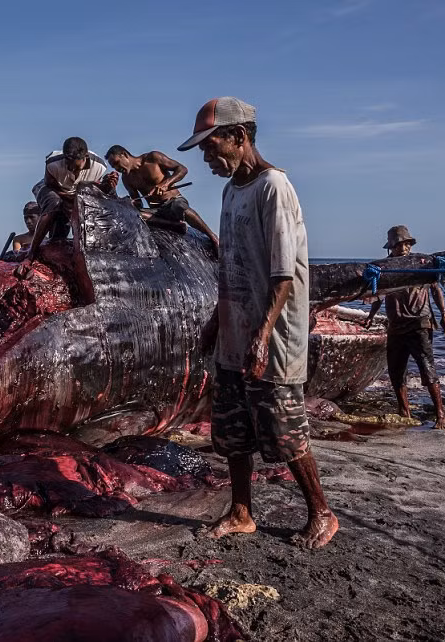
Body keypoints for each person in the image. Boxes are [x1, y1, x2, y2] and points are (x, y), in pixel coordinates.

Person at [178, 96, 338, 549]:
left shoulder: (274, 187)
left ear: (240, 137)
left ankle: (322, 513)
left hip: (272, 335)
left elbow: (282, 272)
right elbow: (231, 267)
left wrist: (264, 335)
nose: (209, 159)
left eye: (213, 147)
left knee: (283, 429)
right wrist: (216, 321)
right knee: (232, 430)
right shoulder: (231, 193)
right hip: (235, 332)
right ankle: (242, 511)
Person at [365, 226, 445, 429]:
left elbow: (436, 290)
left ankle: (440, 413)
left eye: (405, 244)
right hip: (395, 325)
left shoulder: (422, 264)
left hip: (419, 323)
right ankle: (404, 410)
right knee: (396, 371)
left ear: (410, 246)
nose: (402, 248)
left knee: (427, 368)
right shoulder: (385, 268)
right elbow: (379, 293)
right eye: (397, 245)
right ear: (391, 248)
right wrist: (370, 316)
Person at [19, 137, 119, 272]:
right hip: (52, 189)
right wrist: (70, 199)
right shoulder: (53, 163)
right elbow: (51, 186)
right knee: (54, 204)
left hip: (75, 193)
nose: (73, 170)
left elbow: (94, 191)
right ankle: (31, 253)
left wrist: (106, 186)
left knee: (74, 221)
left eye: (76, 166)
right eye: (69, 165)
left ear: (85, 158)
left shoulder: (99, 166)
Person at [105, 145, 219, 253]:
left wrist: (165, 184)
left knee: (180, 207)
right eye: (113, 166)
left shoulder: (153, 158)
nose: (117, 168)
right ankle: (174, 225)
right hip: (156, 212)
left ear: (124, 155)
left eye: (116, 163)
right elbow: (138, 203)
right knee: (135, 214)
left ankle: (213, 237)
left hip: (173, 202)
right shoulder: (127, 179)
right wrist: (131, 203)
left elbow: (182, 169)